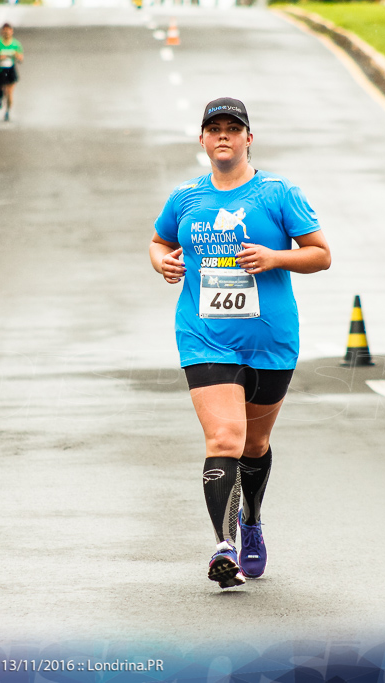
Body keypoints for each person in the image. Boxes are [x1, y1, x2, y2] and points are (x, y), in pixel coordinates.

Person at [149, 98, 331, 588]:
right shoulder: (185, 196)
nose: (223, 136)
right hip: (204, 335)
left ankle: (251, 519)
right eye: (214, 129)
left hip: (270, 339)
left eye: (234, 128)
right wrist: (161, 261)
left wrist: (275, 258)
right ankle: (223, 546)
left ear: (249, 138)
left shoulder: (277, 193)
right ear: (203, 140)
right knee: (224, 439)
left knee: (255, 443)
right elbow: (160, 240)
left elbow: (320, 255)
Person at [0, 23, 23, 122]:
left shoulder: (16, 44)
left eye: (8, 30)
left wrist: (16, 56)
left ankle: (8, 111)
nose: (6, 32)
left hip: (10, 69)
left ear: (12, 32)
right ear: (2, 32)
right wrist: (0, 57)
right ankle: (0, 98)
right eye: (4, 31)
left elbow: (21, 59)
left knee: (9, 92)